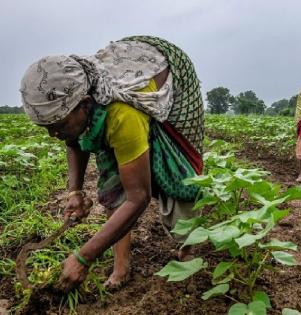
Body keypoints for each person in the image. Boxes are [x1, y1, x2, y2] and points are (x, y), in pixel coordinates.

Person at [20, 36, 204, 291]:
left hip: (170, 76)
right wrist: (74, 191)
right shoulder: (75, 103)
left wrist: (85, 256)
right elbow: (73, 138)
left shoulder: (122, 114)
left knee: (179, 174)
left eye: (58, 126)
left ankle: (187, 251)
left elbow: (138, 197)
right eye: (47, 128)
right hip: (121, 76)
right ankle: (122, 267)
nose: (53, 134)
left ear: (85, 105)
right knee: (112, 180)